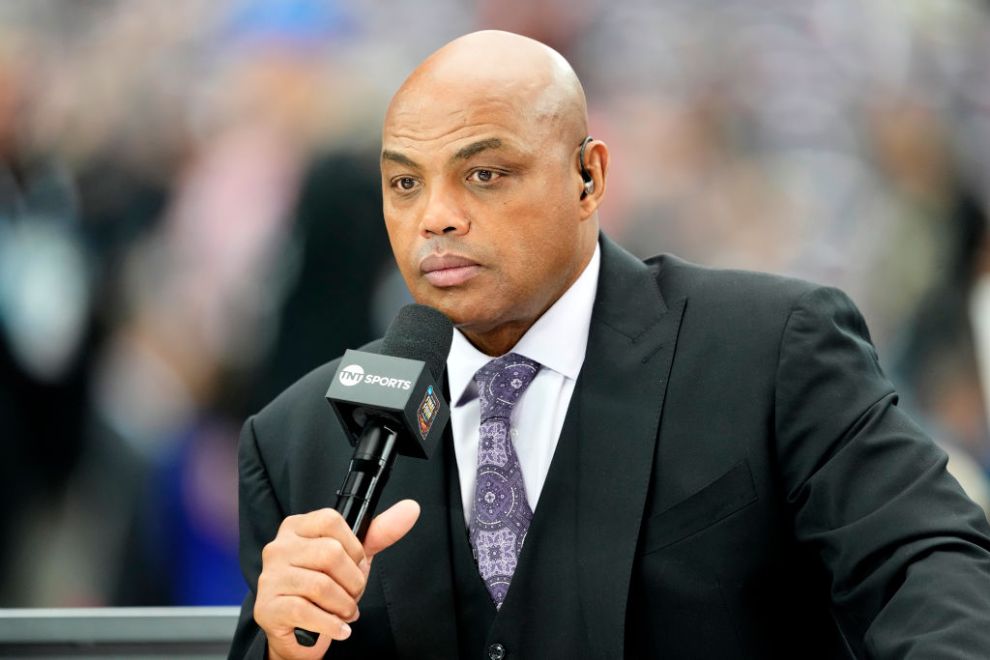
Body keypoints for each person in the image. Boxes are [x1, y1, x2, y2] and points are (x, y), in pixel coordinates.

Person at [228, 31, 990, 659]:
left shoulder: (771, 352)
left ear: (588, 177)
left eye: (484, 174)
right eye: (404, 184)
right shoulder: (300, 438)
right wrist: (284, 651)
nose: (436, 217)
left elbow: (930, 567)